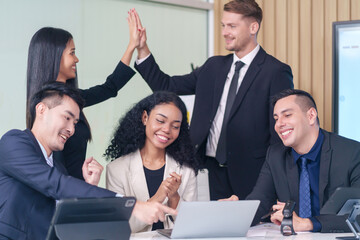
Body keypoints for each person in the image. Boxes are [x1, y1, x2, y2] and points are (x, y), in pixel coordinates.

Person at [130, 0, 293, 200]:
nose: (225, 32)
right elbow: (167, 86)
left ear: (253, 27)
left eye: (232, 26)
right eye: (223, 25)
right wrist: (142, 49)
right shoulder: (213, 66)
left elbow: (280, 133)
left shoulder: (275, 72)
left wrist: (276, 187)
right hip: (207, 170)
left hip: (251, 175)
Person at [0, 82, 176, 240]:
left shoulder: (58, 167)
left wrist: (90, 186)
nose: (71, 129)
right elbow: (56, 185)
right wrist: (131, 205)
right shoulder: (13, 142)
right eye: (67, 118)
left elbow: (69, 222)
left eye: (75, 123)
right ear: (41, 110)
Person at [26, 11, 139, 180]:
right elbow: (55, 171)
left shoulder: (72, 98)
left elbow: (109, 87)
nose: (76, 59)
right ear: (54, 56)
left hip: (78, 190)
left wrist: (132, 46)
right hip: (66, 194)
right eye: (72, 53)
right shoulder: (47, 107)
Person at [235, 89, 360, 232]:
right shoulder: (275, 155)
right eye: (276, 119)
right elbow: (260, 202)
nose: (279, 124)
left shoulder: (352, 153)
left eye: (287, 115)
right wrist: (234, 211)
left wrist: (309, 223)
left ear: (311, 116)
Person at [105, 91, 199, 233]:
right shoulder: (116, 170)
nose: (167, 129)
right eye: (160, 121)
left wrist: (174, 198)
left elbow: (192, 228)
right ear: (145, 117)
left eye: (175, 126)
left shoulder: (186, 171)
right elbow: (119, 227)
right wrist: (157, 198)